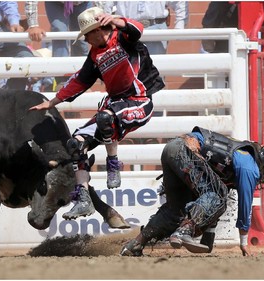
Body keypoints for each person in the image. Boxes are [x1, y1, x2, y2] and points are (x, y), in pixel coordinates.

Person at [29, 7, 165, 219]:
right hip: (114, 105)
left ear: (98, 30)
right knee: (75, 143)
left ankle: (113, 162)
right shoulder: (94, 56)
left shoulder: (123, 38)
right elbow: (80, 81)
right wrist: (54, 101)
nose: (86, 40)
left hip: (139, 101)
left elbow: (137, 29)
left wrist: (118, 20)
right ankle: (84, 198)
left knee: (105, 117)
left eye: (87, 35)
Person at [121, 126, 264, 257]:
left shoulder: (241, 158)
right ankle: (183, 231)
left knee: (176, 209)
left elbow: (211, 200)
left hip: (173, 150)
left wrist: (208, 239)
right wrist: (244, 241)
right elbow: (243, 205)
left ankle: (135, 244)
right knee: (218, 194)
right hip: (184, 150)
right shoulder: (249, 167)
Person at [101, 1, 189, 55]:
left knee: (156, 71)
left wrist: (179, 28)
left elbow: (180, 3)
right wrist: (106, 28)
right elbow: (104, 4)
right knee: (127, 72)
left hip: (156, 28)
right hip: (127, 29)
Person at [44, 1, 93, 87]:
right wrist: (33, 24)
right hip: (56, 3)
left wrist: (101, 12)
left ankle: (83, 80)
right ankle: (62, 80)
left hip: (82, 3)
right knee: (60, 32)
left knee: (82, 39)